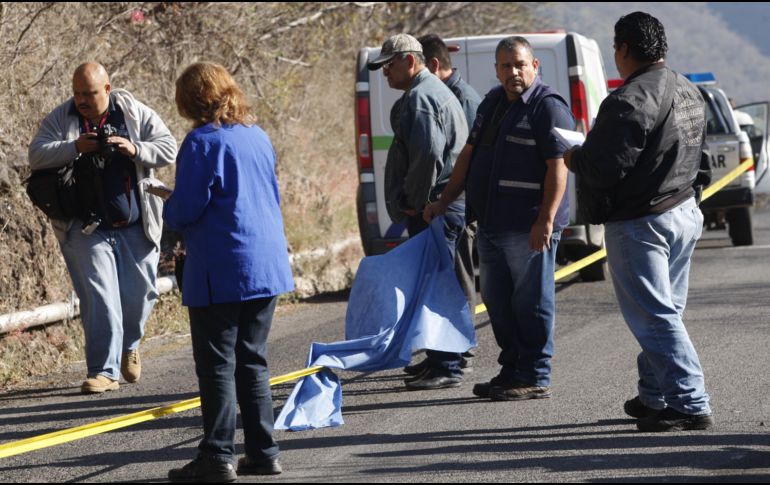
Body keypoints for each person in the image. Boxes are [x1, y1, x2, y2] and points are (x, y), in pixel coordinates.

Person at [563, 12, 714, 432]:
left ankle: (689, 402)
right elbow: (700, 158)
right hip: (684, 212)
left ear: (624, 49)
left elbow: (603, 168)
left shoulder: (628, 99)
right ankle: (654, 397)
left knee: (654, 317)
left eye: (615, 48)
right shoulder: (689, 90)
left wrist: (574, 157)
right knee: (665, 312)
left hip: (641, 223)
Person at [162, 62, 294, 482]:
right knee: (252, 361)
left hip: (223, 263)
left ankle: (217, 455)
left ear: (190, 100)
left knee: (217, 364)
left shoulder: (202, 141)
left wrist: (168, 199)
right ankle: (263, 452)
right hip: (266, 262)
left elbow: (187, 209)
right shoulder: (258, 136)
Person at [424, 36, 575, 402]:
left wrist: (546, 219)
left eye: (520, 64)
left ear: (534, 66)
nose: (513, 72)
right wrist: (444, 200)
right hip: (490, 224)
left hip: (529, 227)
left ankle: (535, 374)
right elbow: (468, 155)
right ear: (496, 70)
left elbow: (559, 166)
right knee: (498, 301)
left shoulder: (548, 107)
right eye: (505, 66)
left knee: (532, 302)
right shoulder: (492, 103)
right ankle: (512, 371)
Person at [28, 62, 177, 394]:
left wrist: (135, 148)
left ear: (107, 89)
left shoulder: (132, 112)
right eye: (77, 93)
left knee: (141, 297)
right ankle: (103, 371)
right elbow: (36, 155)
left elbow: (168, 147)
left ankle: (130, 345)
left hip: (136, 224)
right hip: (85, 228)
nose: (81, 99)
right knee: (100, 298)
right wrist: (75, 147)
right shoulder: (61, 118)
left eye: (90, 93)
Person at [367, 33, 470, 391]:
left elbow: (428, 156)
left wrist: (419, 202)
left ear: (410, 62)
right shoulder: (428, 92)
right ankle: (440, 358)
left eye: (388, 66)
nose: (385, 74)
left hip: (435, 207)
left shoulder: (422, 98)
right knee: (435, 282)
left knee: (438, 283)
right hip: (439, 205)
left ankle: (448, 364)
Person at [399, 34, 482, 379]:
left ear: (430, 65)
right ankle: (442, 355)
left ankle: (454, 353)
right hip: (446, 203)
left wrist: (422, 202)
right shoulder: (443, 94)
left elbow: (449, 155)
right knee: (443, 279)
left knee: (451, 280)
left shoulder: (456, 97)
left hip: (449, 204)